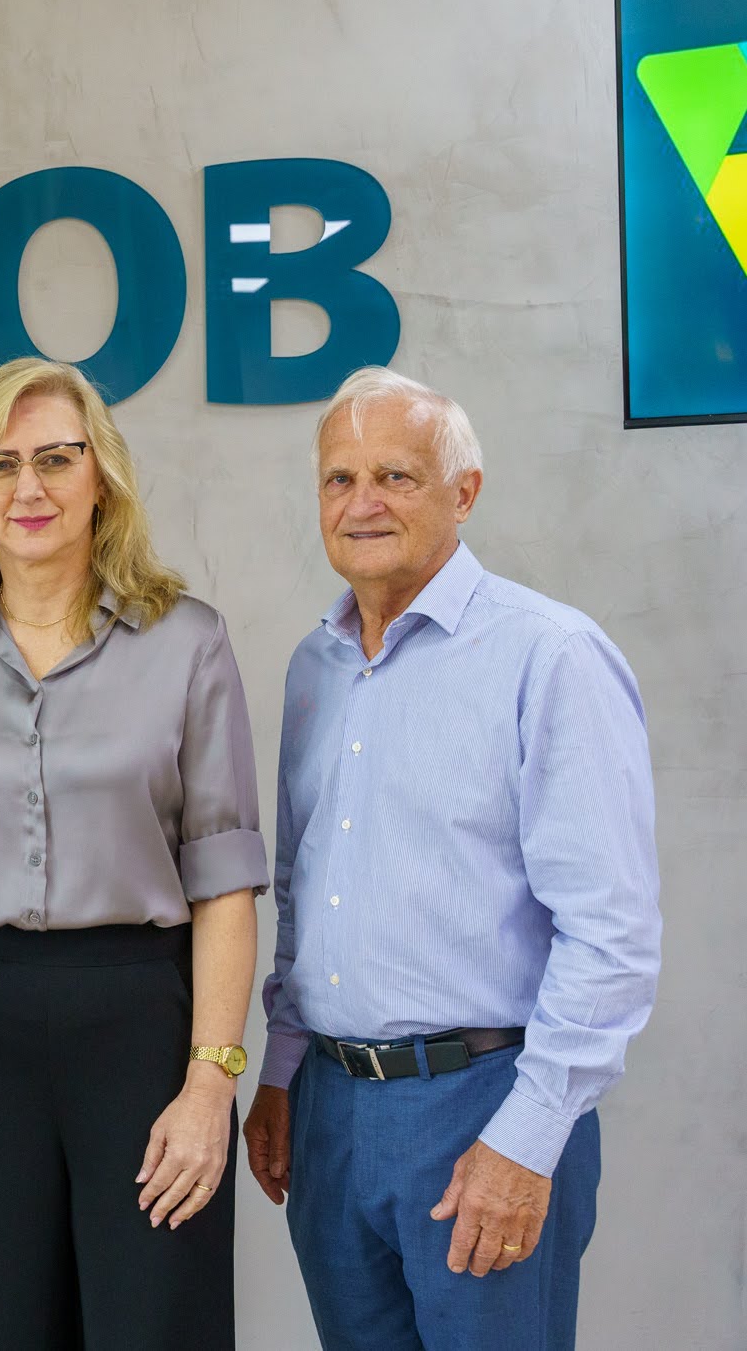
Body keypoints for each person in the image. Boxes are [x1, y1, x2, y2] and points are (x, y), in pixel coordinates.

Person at [245, 367, 660, 1351]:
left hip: (485, 1103)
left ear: (463, 492)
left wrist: (527, 1139)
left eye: (395, 475)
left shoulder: (549, 656)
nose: (362, 503)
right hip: (330, 1110)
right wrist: (282, 1072)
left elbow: (610, 932)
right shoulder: (315, 667)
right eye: (339, 479)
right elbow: (303, 896)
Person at [0, 357, 265, 1350]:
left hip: (140, 1025)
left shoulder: (188, 643)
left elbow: (225, 882)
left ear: (102, 476)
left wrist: (210, 1082)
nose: (29, 487)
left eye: (55, 458)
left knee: (155, 1322)